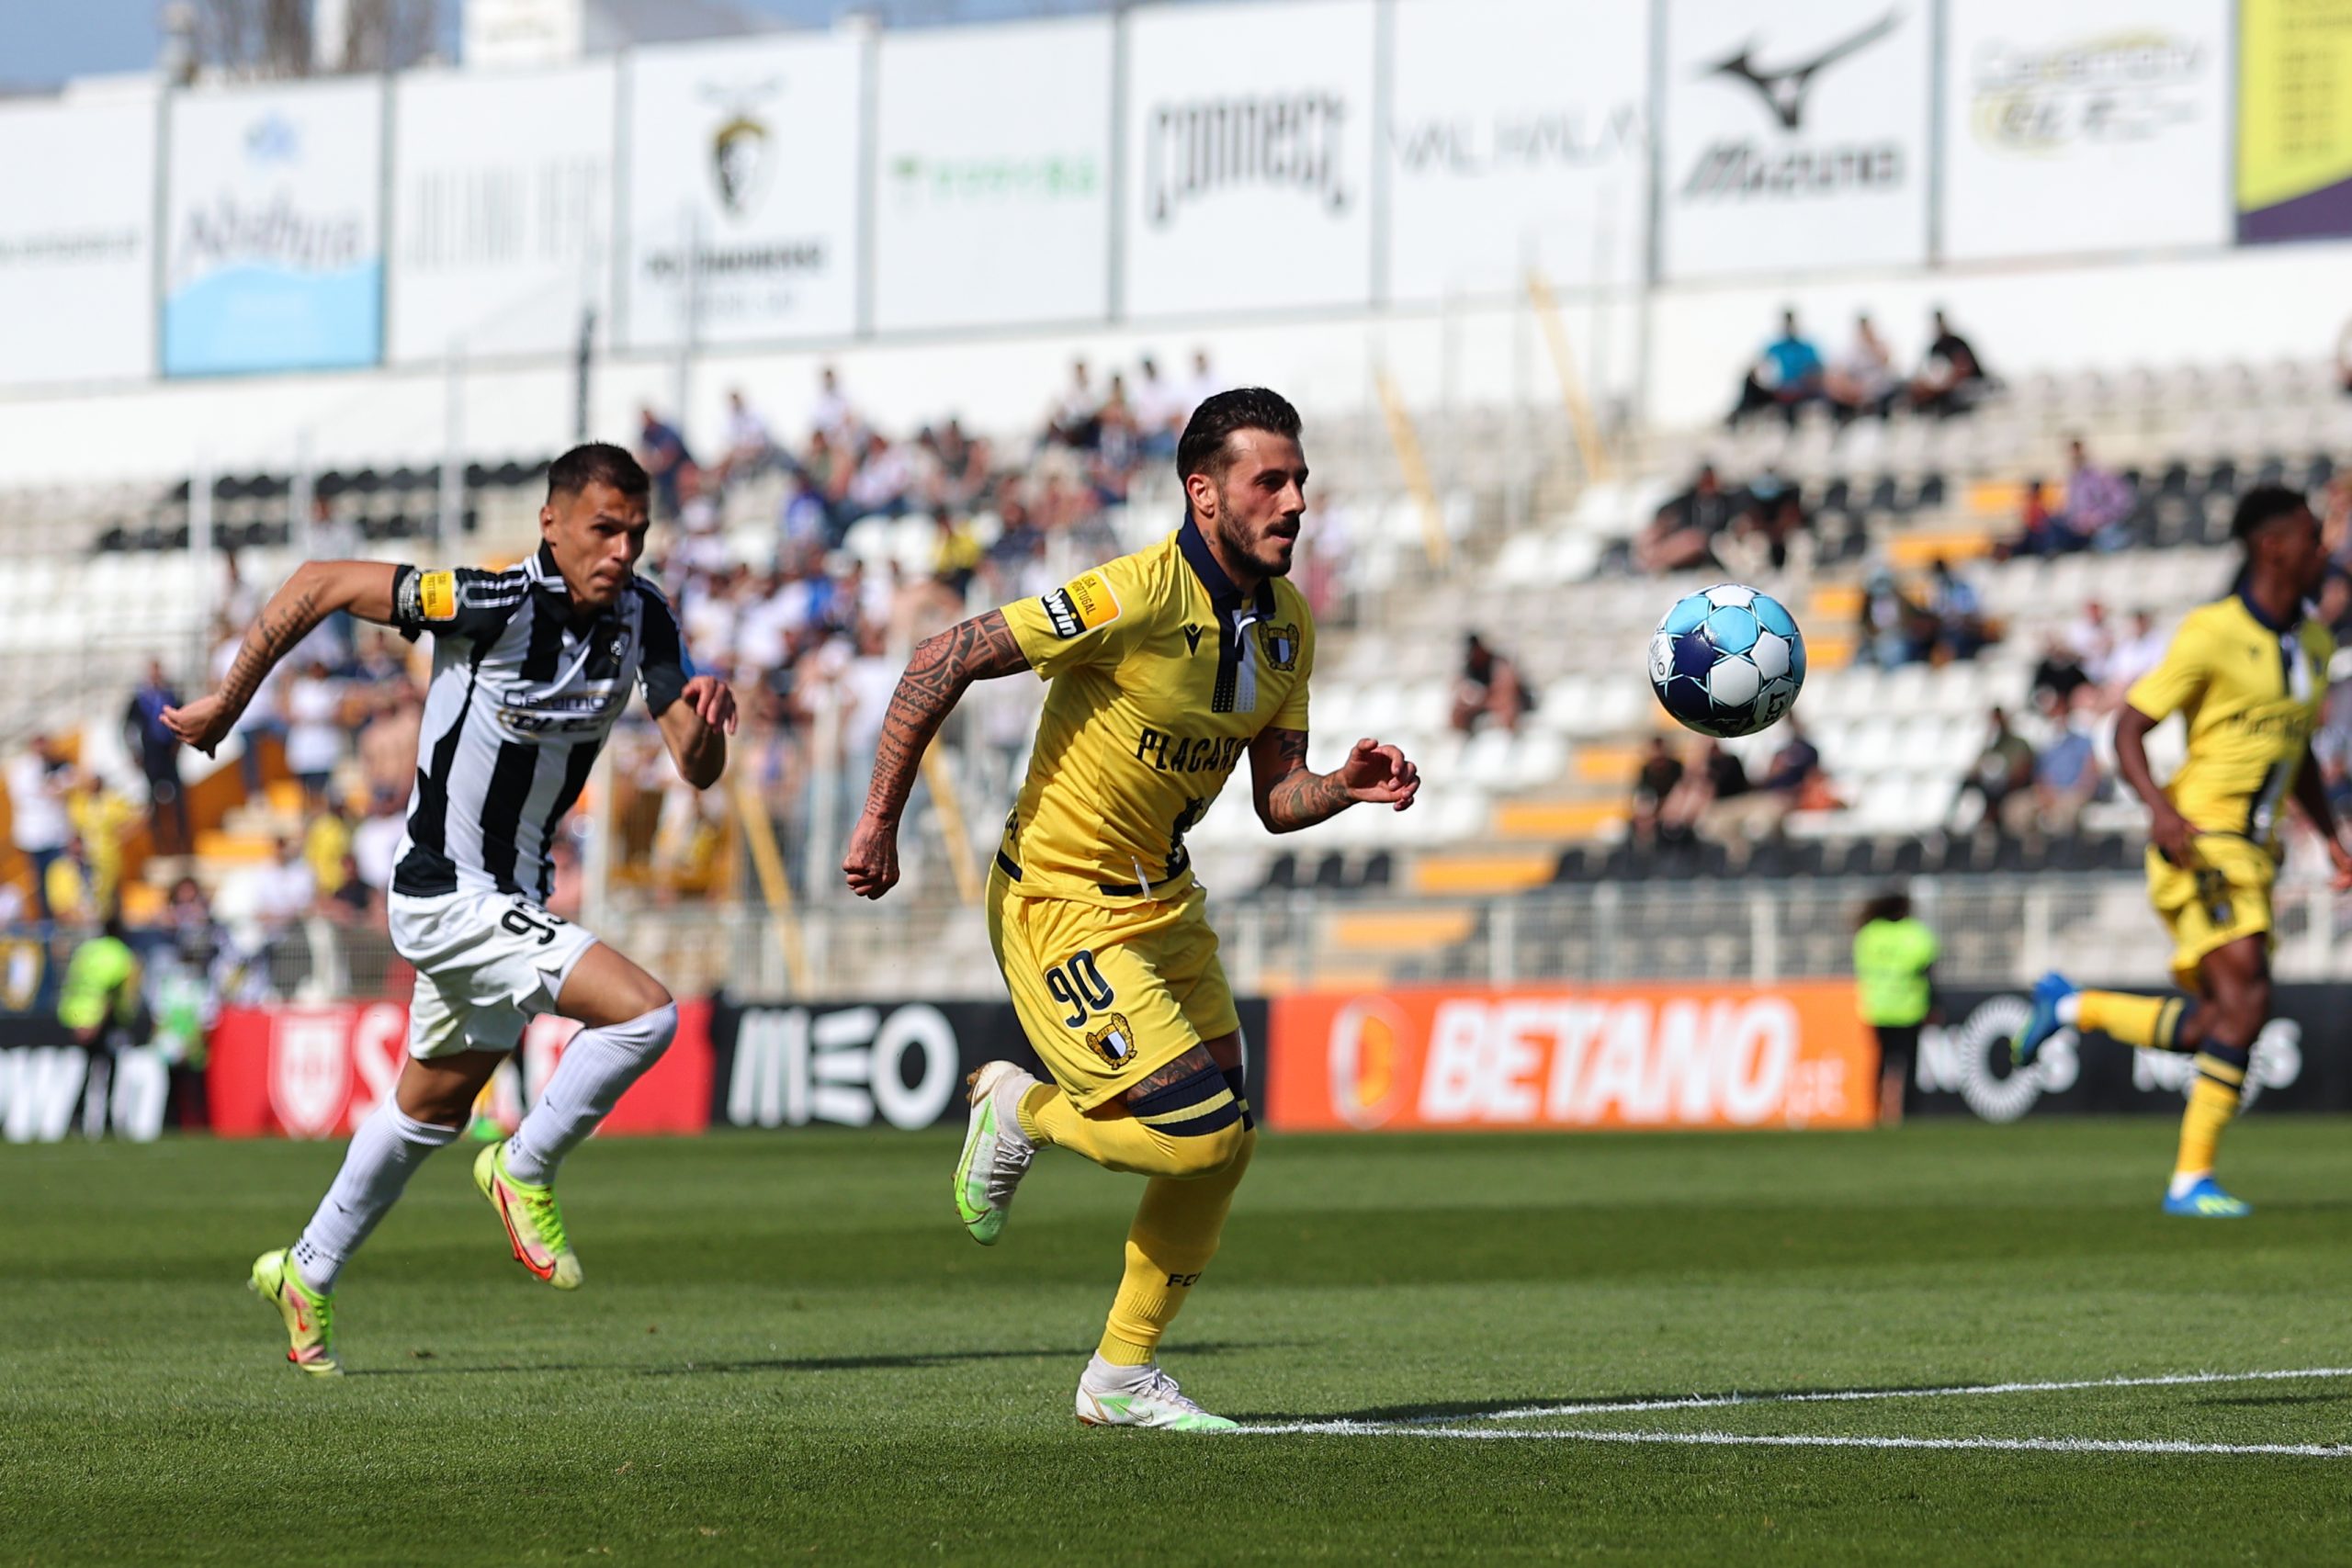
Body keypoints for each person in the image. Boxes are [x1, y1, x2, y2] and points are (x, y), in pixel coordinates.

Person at [842, 388, 1419, 1430]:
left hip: (1166, 901)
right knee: (1195, 1136)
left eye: (1299, 482)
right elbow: (944, 656)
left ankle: (1119, 1377)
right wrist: (879, 818)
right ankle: (1016, 1109)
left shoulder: (1286, 627)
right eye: (1268, 483)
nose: (1293, 502)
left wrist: (1340, 784)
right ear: (1204, 495)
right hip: (1059, 902)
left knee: (1227, 1142)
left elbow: (1275, 802)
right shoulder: (1132, 595)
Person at [165, 443, 737, 1376]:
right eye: (604, 528)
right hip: (442, 892)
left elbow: (694, 764)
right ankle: (523, 1166)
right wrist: (231, 701)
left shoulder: (647, 618)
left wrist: (709, 729)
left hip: (507, 903)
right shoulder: (485, 601)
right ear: (550, 523)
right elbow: (318, 582)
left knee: (426, 1110)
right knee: (647, 1014)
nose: (622, 550)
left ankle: (305, 1274)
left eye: (635, 532)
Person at [2013, 486, 2351, 1218]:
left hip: (2256, 851)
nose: (2321, 547)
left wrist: (2330, 838)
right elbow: (2128, 728)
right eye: (2306, 534)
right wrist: (2162, 812)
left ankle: (2070, 1005)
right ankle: (2188, 1180)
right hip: (2201, 838)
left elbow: (2296, 758)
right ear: (2270, 545)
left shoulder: (2317, 644)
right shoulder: (2211, 632)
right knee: (2250, 996)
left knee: (2216, 1023)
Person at [58, 911, 145, 1140]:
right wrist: (98, 1022)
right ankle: (107, 1120)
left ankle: (76, 1118)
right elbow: (110, 992)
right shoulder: (119, 954)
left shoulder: (86, 951)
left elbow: (73, 982)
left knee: (86, 1070)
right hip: (105, 1021)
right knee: (110, 1069)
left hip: (76, 1017)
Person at [1852, 892, 1936, 1126]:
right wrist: (1933, 1003)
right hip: (1909, 1009)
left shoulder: (1868, 934)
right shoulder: (1915, 933)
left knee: (1880, 1062)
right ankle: (1908, 1115)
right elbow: (1927, 968)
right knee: (1908, 1064)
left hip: (1877, 1008)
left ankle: (1876, 1113)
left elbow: (1863, 967)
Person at [125, 661, 188, 856]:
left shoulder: (170, 696)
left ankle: (183, 844)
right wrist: (135, 753)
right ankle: (159, 845)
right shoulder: (139, 699)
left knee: (179, 801)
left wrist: (179, 745)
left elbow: (184, 719)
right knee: (152, 802)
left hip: (169, 755)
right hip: (150, 756)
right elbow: (128, 728)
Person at [7, 734, 72, 920]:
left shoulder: (57, 763)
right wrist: (53, 788)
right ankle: (49, 926)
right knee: (42, 885)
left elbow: (66, 785)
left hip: (58, 834)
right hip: (36, 837)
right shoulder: (23, 768)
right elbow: (34, 793)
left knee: (64, 882)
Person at [1727, 309, 1825, 428]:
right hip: (1779, 390)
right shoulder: (1775, 347)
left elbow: (1817, 371)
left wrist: (1799, 385)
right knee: (1749, 381)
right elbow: (1758, 366)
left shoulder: (1806, 348)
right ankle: (1740, 413)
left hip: (1800, 391)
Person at [1948, 706, 2035, 836]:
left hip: (2011, 790)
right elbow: (1975, 770)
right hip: (1989, 790)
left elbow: (2023, 771)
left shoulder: (2018, 744)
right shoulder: (1990, 747)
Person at [1906, 308, 1989, 418]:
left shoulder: (1957, 342)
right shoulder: (1935, 348)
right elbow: (1928, 371)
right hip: (1944, 389)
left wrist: (1944, 384)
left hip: (1968, 385)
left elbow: (1964, 369)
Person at [1825, 313, 1898, 424]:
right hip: (1855, 392)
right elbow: (1838, 374)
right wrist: (1850, 389)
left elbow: (1887, 362)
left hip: (1880, 392)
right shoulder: (1849, 350)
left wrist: (1872, 344)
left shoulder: (1880, 346)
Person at [1452, 633, 1531, 734]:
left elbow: (1506, 691)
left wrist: (1482, 700)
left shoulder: (1498, 664)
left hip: (1512, 704)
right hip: (1482, 706)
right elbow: (1458, 688)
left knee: (1506, 706)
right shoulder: (1470, 666)